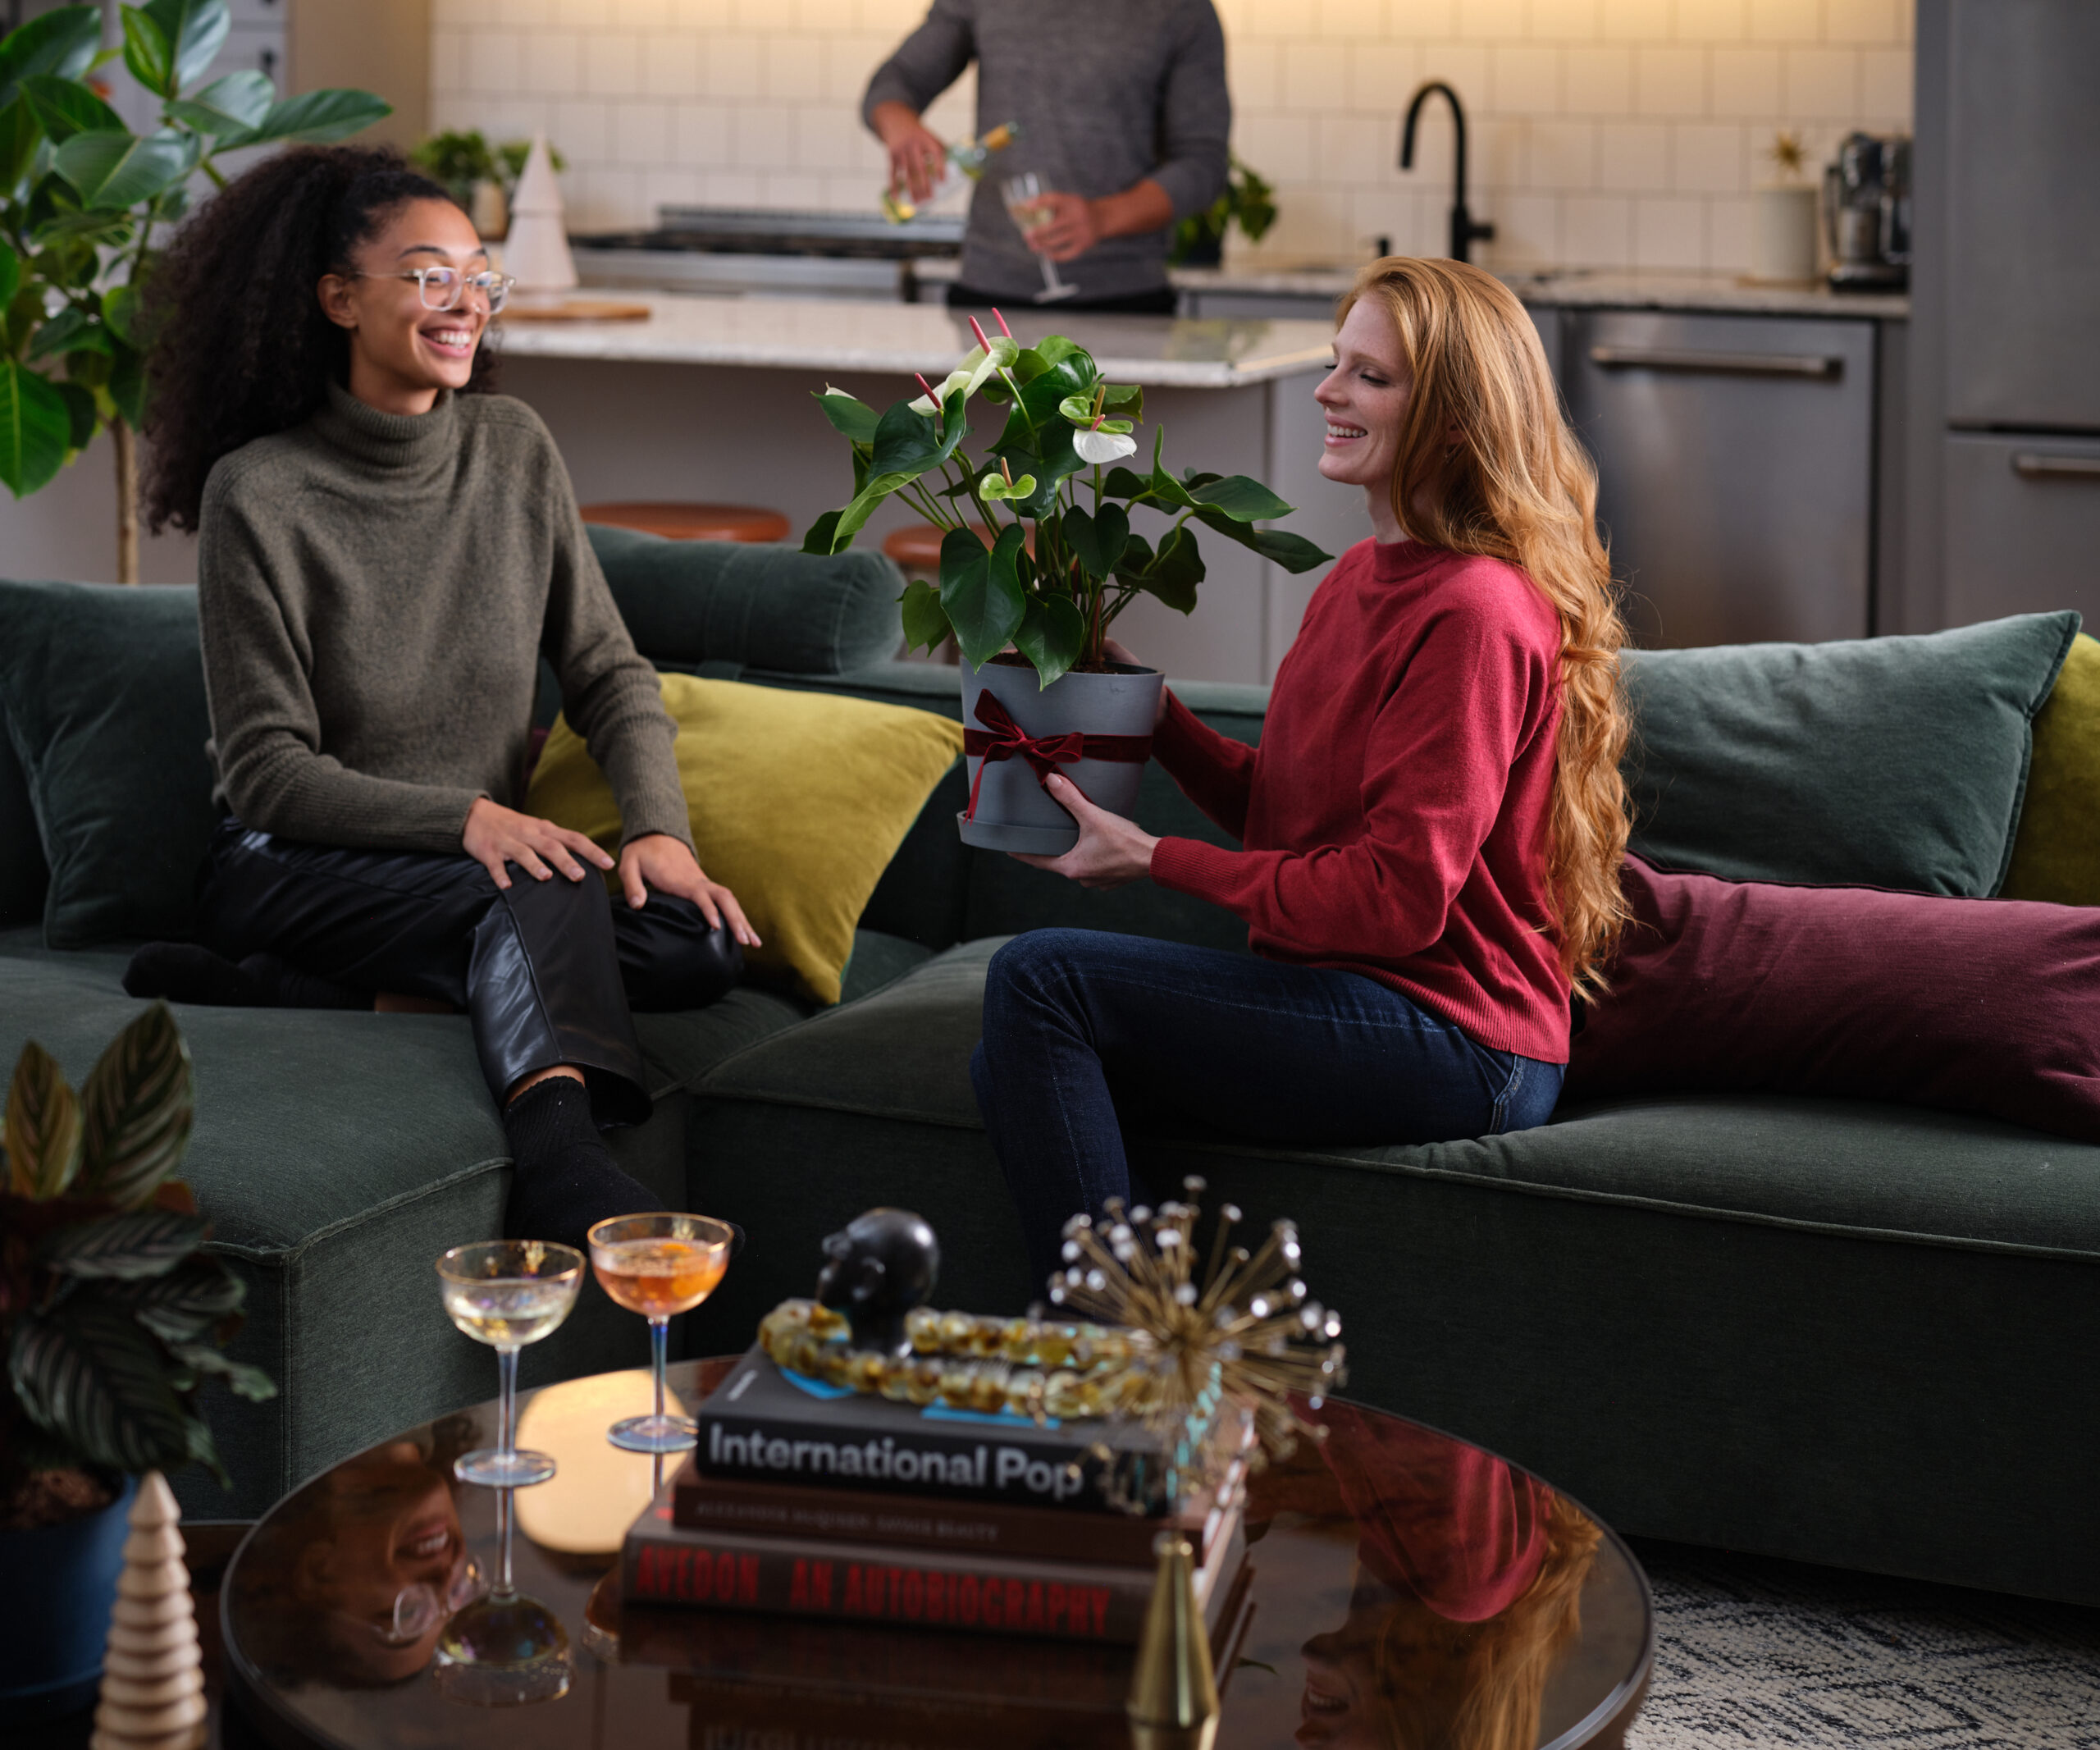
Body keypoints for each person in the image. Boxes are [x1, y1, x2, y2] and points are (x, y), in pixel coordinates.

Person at [126, 145, 759, 1249]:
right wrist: (470, 820)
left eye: (478, 274)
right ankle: (562, 1157)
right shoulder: (261, 493)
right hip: (290, 864)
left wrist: (663, 831)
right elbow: (268, 772)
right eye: (427, 273)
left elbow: (609, 671)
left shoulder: (514, 450)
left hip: (474, 873)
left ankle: (295, 992)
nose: (463, 301)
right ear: (336, 297)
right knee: (534, 893)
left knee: (692, 945)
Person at [971, 257, 1632, 1287]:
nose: (1327, 391)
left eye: (1369, 377)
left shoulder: (1475, 610)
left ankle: (1113, 1368)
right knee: (1018, 1049)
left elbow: (1396, 896)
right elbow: (1286, 812)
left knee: (1043, 982)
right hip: (1354, 995)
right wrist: (1140, 704)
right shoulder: (1358, 580)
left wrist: (1155, 857)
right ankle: (1152, 1356)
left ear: (1454, 422)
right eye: (1337, 364)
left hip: (1459, 1039)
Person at [863, 0, 1229, 314]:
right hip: (989, 297)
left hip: (1123, 301)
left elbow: (1203, 162)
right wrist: (898, 122)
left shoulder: (1182, 9)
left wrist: (1103, 217)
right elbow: (896, 81)